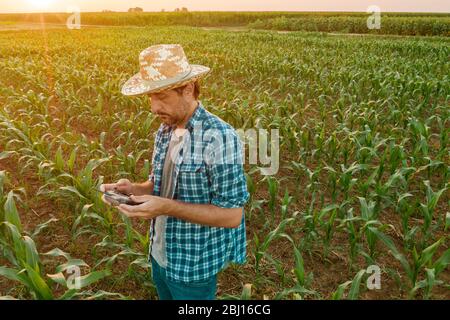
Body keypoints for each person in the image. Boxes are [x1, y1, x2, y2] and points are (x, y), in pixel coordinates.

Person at [100, 44, 249, 300]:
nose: (153, 108)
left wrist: (166, 207)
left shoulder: (220, 137)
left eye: (162, 96)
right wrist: (133, 189)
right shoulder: (166, 128)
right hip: (160, 253)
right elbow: (159, 184)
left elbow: (232, 215)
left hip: (192, 266)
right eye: (150, 97)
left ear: (188, 89)